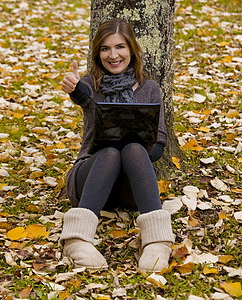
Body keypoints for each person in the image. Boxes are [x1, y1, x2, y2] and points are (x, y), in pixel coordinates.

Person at [59, 18, 174, 272]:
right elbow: (84, 98)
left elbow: (159, 145)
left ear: (131, 49)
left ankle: (157, 242)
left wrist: (137, 148)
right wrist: (74, 88)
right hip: (90, 177)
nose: (113, 55)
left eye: (120, 47)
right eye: (105, 48)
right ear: (98, 53)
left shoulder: (150, 89)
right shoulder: (91, 84)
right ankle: (77, 238)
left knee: (132, 149)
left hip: (129, 186)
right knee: (110, 152)